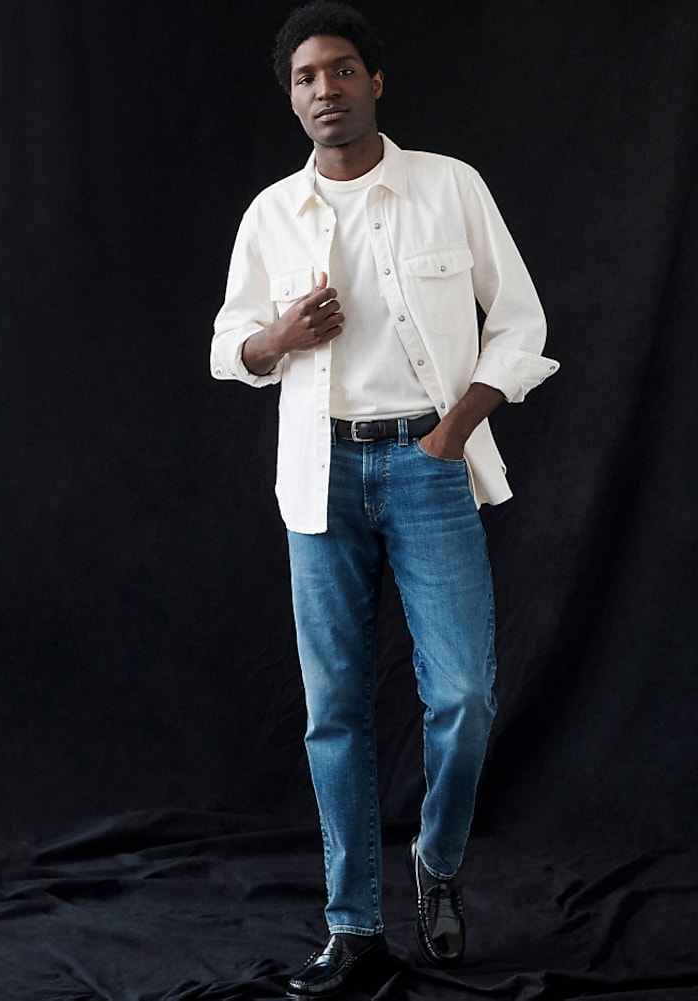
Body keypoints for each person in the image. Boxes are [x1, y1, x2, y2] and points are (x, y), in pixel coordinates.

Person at [211, 2, 558, 995]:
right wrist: (277, 338)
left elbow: (521, 320)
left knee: (461, 694)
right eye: (304, 78)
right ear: (292, 98)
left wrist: (454, 425)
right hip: (316, 472)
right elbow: (225, 347)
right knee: (334, 709)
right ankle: (352, 925)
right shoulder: (271, 214)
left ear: (374, 81)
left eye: (340, 71)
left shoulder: (448, 187)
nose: (324, 91)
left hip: (426, 459)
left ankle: (436, 863)